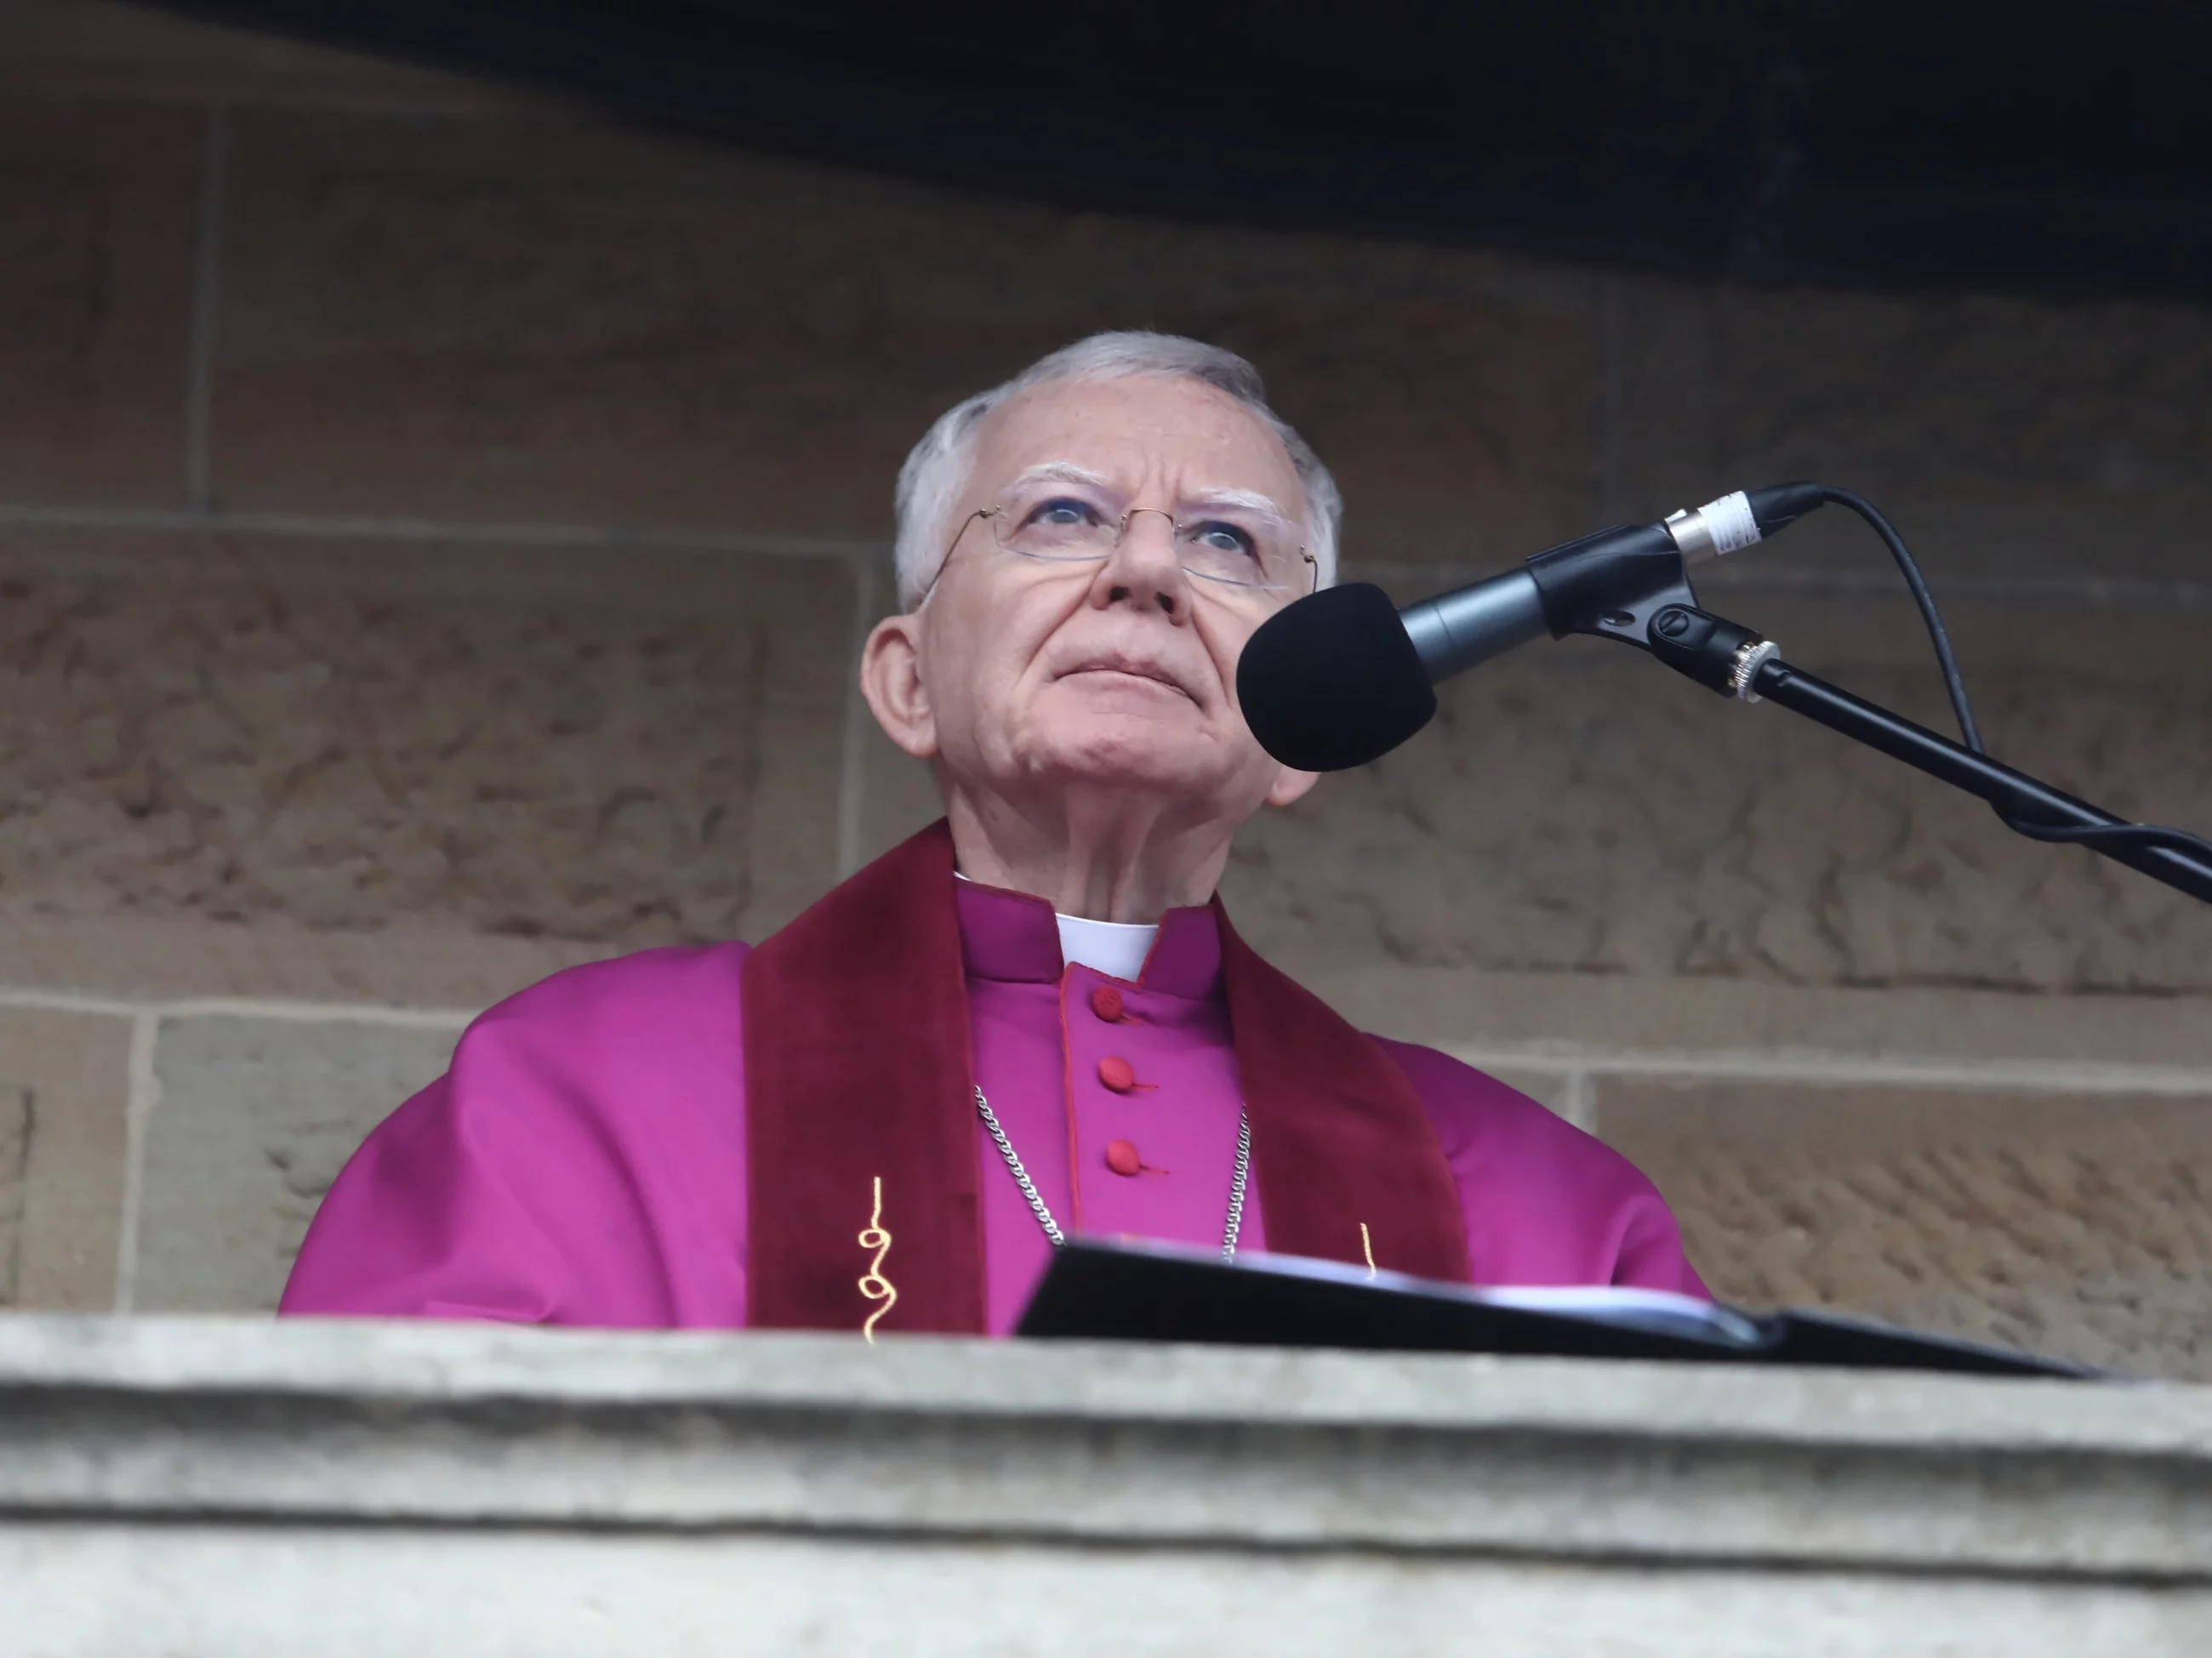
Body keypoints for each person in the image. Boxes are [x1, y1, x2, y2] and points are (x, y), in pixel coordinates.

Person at [282, 332, 1705, 1334]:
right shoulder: (570, 1101)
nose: (1147, 569)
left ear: (1302, 739)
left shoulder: (1548, 1211)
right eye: (1063, 515)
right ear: (908, 681)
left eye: (1227, 542)